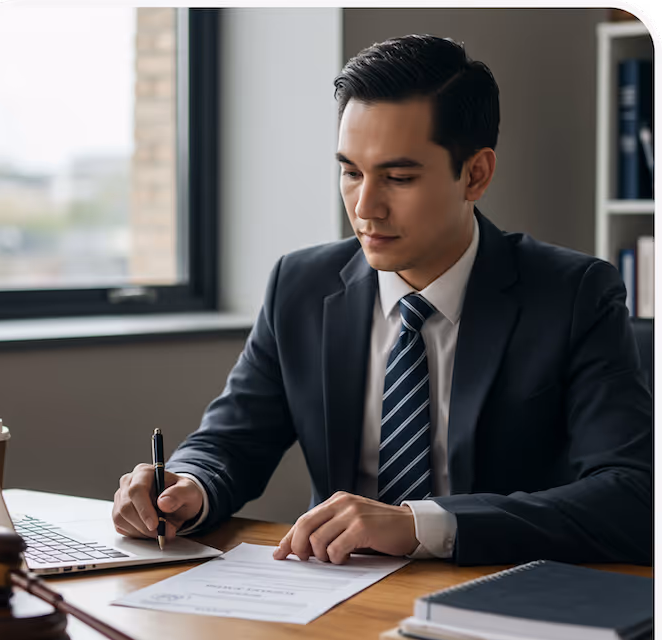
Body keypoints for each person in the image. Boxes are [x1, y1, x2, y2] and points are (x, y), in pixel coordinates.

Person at [112, 34, 652, 566]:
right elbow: (231, 441)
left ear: (476, 174)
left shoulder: (573, 294)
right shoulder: (300, 286)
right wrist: (189, 485)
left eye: (398, 176)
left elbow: (631, 495)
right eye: (350, 172)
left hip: (502, 596)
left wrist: (421, 524)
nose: (365, 206)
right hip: (336, 598)